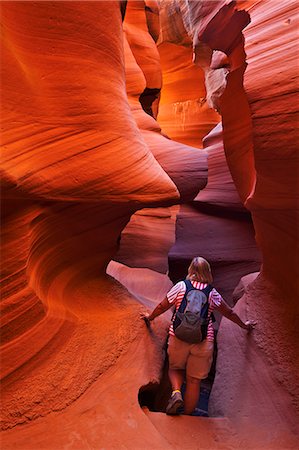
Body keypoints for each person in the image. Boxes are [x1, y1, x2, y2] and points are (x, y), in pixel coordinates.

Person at [142, 256, 256, 416]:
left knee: (175, 368)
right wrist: (244, 325)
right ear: (208, 272)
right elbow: (229, 312)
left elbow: (163, 305)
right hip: (203, 341)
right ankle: (188, 415)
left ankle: (176, 392)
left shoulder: (181, 286)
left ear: (191, 271)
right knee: (194, 380)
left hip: (178, 336)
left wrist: (150, 317)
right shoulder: (212, 293)